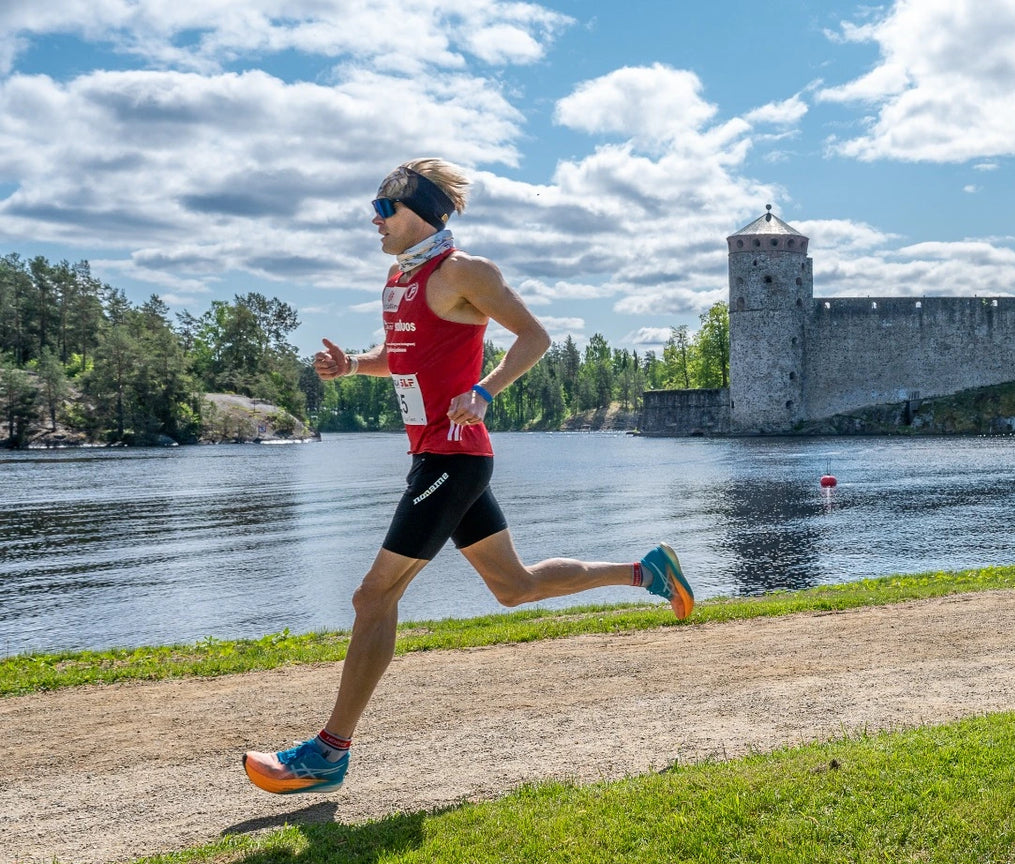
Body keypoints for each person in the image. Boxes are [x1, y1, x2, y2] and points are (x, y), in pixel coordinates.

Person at [243, 159, 693, 795]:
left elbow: (532, 338)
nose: (372, 220)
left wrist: (484, 390)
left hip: (453, 457)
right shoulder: (401, 281)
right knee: (513, 586)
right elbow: (402, 361)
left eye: (383, 208)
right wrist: (350, 367)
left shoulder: (464, 272)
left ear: (419, 211)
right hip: (442, 455)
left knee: (373, 598)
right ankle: (646, 570)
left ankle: (329, 752)